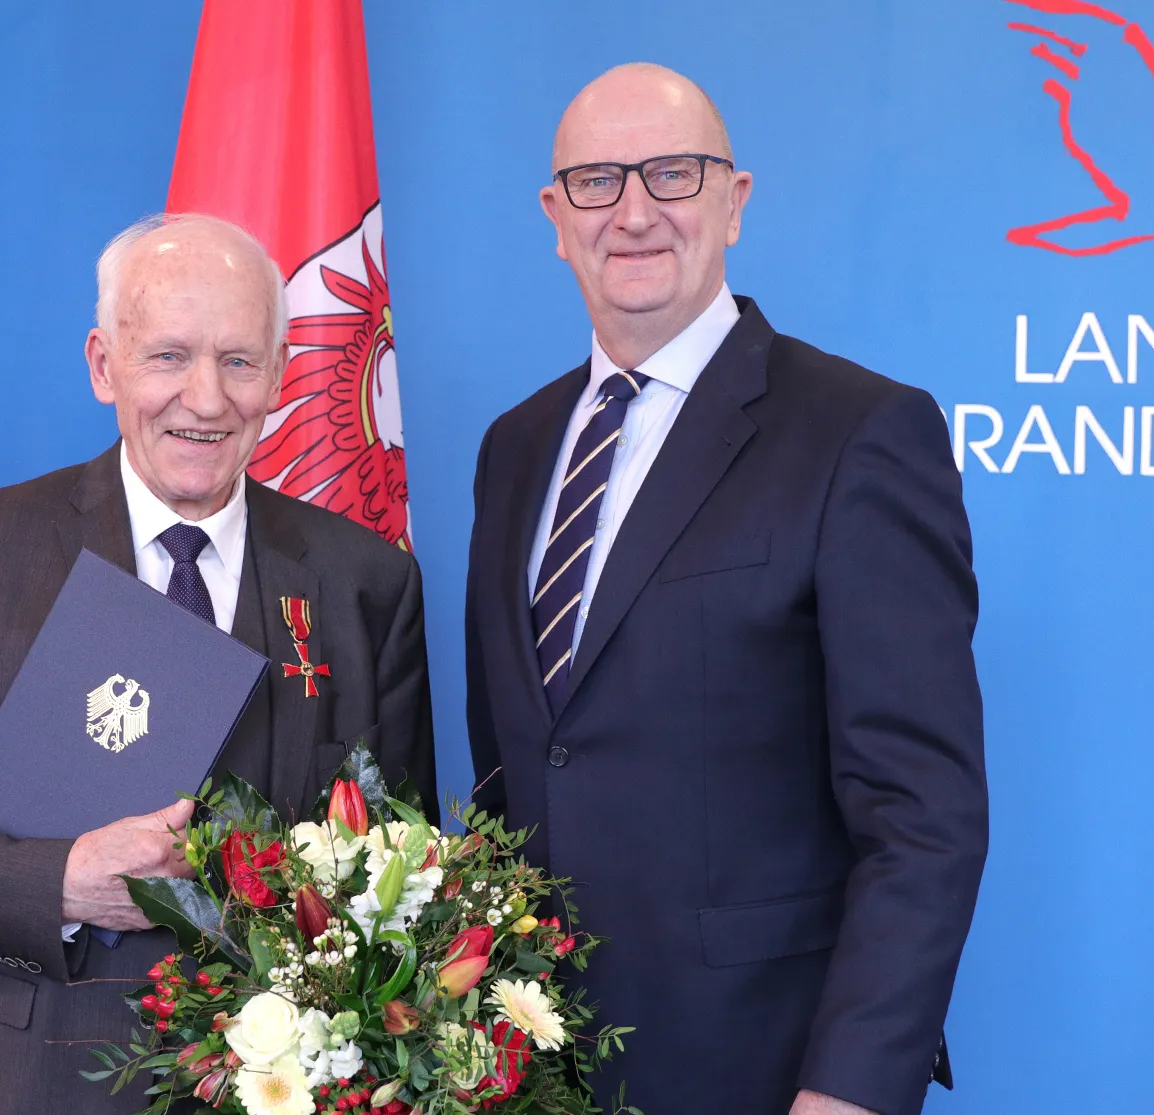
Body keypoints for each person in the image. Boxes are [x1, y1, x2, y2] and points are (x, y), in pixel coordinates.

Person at [0, 213, 436, 1114]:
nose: (206, 397)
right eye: (168, 356)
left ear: (277, 373)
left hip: (274, 1088)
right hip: (26, 1079)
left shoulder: (366, 582)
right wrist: (62, 880)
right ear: (104, 364)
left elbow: (399, 875)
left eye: (238, 360)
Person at [463, 64, 986, 1115]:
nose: (636, 211)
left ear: (734, 202)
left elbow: (922, 813)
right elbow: (511, 773)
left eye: (673, 173)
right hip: (523, 1072)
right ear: (554, 217)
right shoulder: (514, 448)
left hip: (761, 1070)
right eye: (598, 181)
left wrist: (850, 1087)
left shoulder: (858, 433)